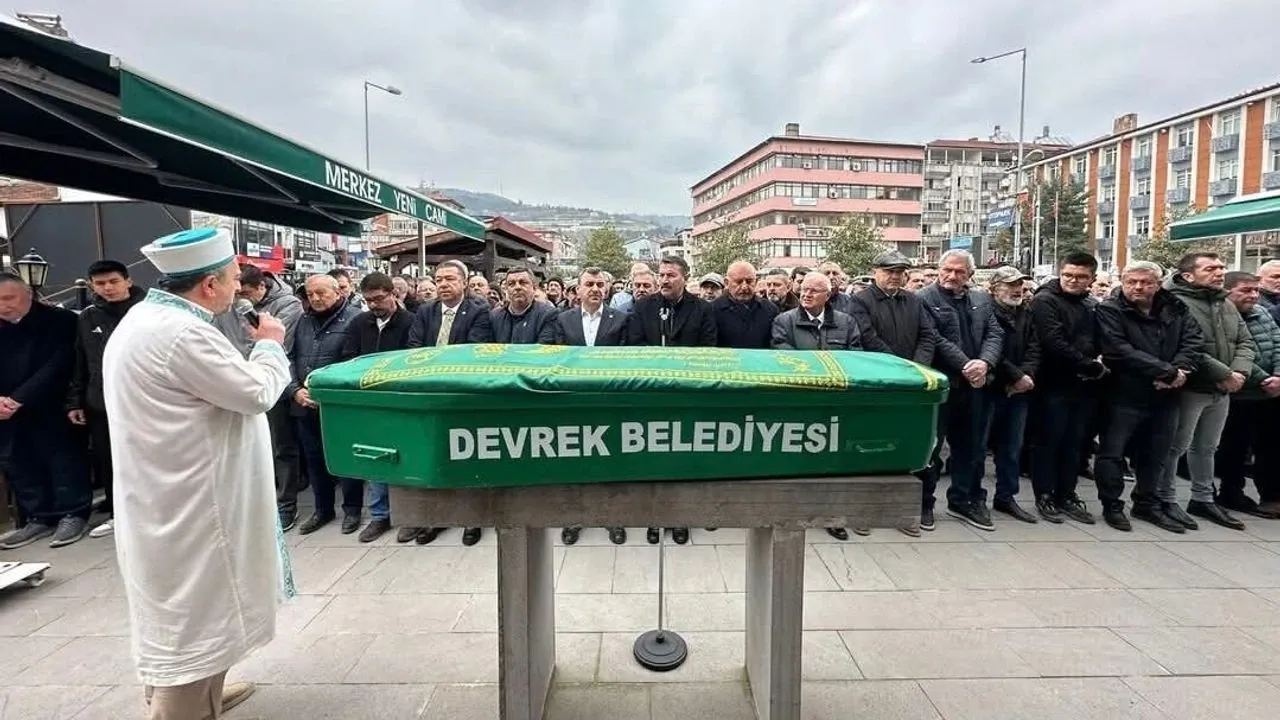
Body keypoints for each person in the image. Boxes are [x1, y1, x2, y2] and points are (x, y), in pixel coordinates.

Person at [102, 227, 293, 719]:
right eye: (232, 278)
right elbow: (254, 392)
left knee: (202, 610)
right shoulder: (182, 333)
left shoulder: (150, 318)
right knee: (195, 620)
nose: (238, 288)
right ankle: (181, 706)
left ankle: (205, 690)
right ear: (209, 285)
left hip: (174, 493)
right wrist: (271, 345)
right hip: (193, 505)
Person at [1094, 261, 1203, 532]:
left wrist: (1180, 370)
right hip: (1124, 394)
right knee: (1112, 453)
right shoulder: (1110, 309)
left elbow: (1193, 341)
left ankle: (1146, 503)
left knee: (1156, 453)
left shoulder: (1175, 307)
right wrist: (1167, 372)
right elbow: (1117, 349)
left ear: (1158, 284)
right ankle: (1112, 504)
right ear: (1122, 282)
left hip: (1167, 395)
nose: (1138, 287)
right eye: (1132, 282)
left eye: (1146, 282)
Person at [405, 260, 494, 546]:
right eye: (439, 279)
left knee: (467, 457)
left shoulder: (479, 311)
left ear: (464, 283)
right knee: (436, 457)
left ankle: (473, 519)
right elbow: (414, 348)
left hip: (462, 395)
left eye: (450, 279)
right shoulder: (425, 311)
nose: (443, 284)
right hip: (429, 394)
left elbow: (472, 352)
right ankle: (437, 517)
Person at [0, 273, 90, 550]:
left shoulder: (60, 321)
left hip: (50, 402)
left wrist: (19, 398)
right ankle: (38, 516)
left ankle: (73, 513)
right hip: (5, 410)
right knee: (18, 461)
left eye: (9, 298)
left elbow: (59, 362)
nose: (3, 306)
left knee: (62, 458)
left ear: (28, 295)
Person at [66, 260, 146, 539]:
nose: (107, 288)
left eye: (113, 281)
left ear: (128, 281)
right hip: (101, 400)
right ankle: (117, 514)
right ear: (91, 286)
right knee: (109, 458)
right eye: (100, 283)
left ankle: (152, 511)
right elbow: (81, 359)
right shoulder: (88, 316)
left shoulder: (147, 311)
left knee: (147, 456)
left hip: (143, 398)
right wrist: (75, 400)